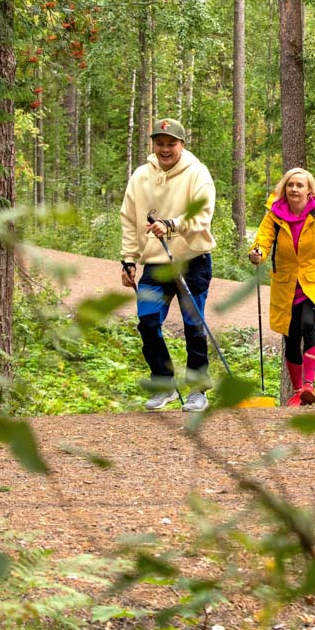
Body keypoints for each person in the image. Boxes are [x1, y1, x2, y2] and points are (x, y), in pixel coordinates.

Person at [119, 118, 217, 412]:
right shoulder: (140, 176)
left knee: (193, 326)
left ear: (182, 145)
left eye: (171, 144)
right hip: (155, 263)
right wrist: (128, 259)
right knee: (148, 323)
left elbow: (202, 216)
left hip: (192, 261)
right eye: (159, 143)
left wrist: (172, 224)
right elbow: (128, 219)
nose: (164, 149)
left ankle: (198, 390)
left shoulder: (198, 173)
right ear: (153, 145)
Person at [248, 168, 315, 406]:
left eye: (300, 185)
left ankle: (309, 384)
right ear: (284, 189)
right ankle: (298, 391)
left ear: (309, 190)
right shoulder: (274, 215)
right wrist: (257, 253)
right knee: (292, 336)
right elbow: (263, 240)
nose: (294, 189)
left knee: (309, 323)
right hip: (286, 284)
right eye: (290, 185)